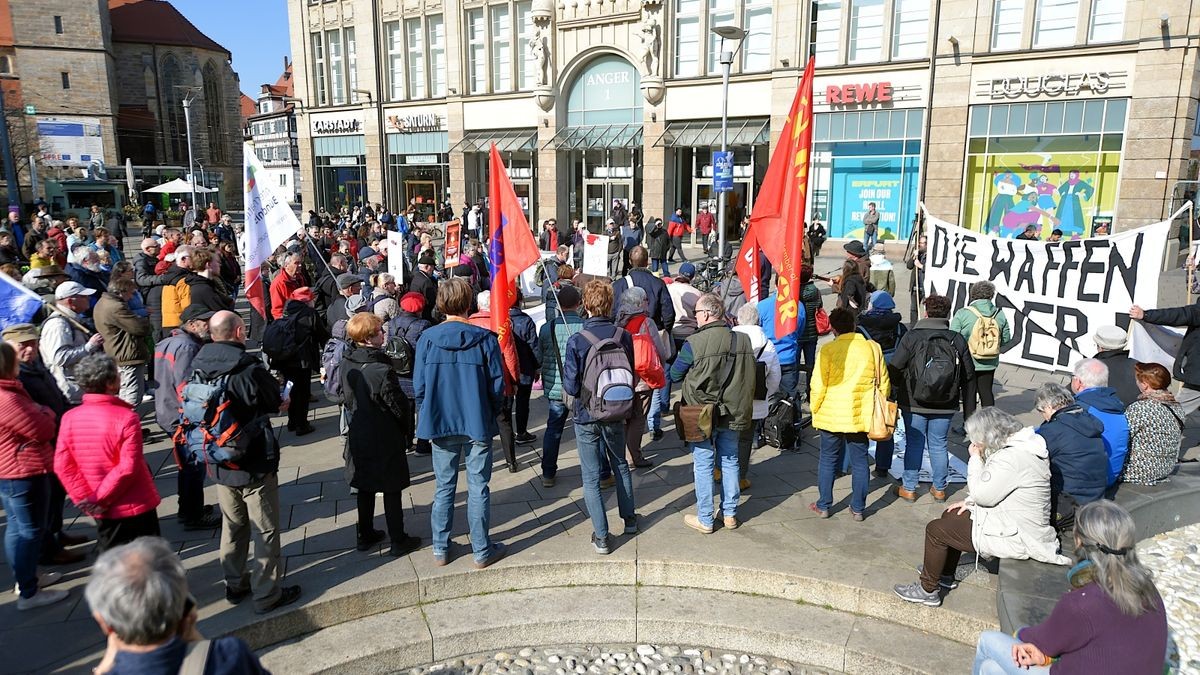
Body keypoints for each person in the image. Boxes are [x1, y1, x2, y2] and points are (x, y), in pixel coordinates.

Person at [893, 407, 1069, 607]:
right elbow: (997, 489)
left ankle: (927, 590)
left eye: (977, 439)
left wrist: (975, 458)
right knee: (951, 514)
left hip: (1018, 536)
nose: (975, 443)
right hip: (1013, 522)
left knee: (935, 531)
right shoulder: (1022, 448)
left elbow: (983, 495)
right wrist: (969, 502)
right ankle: (944, 574)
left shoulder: (1012, 458)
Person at [971, 500, 1167, 675]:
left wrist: (1024, 636)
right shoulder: (1148, 589)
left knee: (987, 641)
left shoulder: (1083, 602)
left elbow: (1042, 640)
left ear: (1079, 541)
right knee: (990, 669)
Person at [190, 311, 301, 613]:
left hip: (217, 459)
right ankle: (267, 593)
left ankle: (234, 582)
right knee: (264, 528)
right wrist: (283, 400)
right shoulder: (248, 368)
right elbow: (272, 402)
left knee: (233, 524)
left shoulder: (197, 363)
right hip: (251, 459)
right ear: (239, 332)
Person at [414, 278, 507, 568]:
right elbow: (497, 386)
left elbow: (419, 387)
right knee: (478, 485)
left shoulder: (427, 340)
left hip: (441, 420)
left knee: (444, 486)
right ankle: (481, 550)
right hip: (476, 420)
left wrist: (427, 411)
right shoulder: (486, 340)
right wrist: (493, 412)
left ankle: (441, 548)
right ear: (467, 303)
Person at [85, 537, 270, 674]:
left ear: (103, 622)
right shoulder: (228, 657)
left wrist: (102, 668)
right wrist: (196, 640)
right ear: (185, 606)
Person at [55, 354, 160, 551]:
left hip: (101, 506)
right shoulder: (126, 417)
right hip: (134, 500)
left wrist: (87, 499)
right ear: (111, 383)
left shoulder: (69, 417)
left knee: (112, 561)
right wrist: (99, 499)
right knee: (151, 560)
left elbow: (62, 465)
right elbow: (128, 467)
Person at [563, 280, 639, 552]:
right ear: (610, 304)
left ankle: (602, 536)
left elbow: (570, 386)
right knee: (620, 464)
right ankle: (629, 519)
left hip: (586, 415)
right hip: (616, 410)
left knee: (591, 476)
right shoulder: (623, 336)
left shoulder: (577, 340)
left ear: (585, 305)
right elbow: (633, 372)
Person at [670, 293, 754, 533]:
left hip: (701, 413)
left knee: (704, 463)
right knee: (730, 461)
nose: (694, 316)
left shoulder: (694, 343)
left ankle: (705, 518)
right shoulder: (743, 341)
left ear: (706, 314)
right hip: (733, 411)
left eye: (696, 312)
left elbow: (675, 375)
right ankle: (730, 514)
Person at [341, 313, 421, 557]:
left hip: (359, 430)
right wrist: (406, 432)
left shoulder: (348, 360)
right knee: (391, 486)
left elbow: (346, 396)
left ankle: (365, 534)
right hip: (383, 433)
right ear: (368, 337)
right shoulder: (380, 368)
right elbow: (397, 405)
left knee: (364, 484)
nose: (384, 334)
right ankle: (398, 539)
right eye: (379, 332)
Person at [0, 341, 68, 609]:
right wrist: (47, 412)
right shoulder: (7, 397)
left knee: (19, 528)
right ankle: (29, 592)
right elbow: (42, 429)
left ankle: (28, 577)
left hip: (14, 469)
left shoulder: (10, 390)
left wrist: (41, 412)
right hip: (22, 470)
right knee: (28, 530)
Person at [889, 295, 974, 502]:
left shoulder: (912, 337)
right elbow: (968, 375)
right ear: (948, 314)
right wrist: (969, 411)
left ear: (925, 312)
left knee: (915, 443)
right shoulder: (956, 339)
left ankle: (909, 487)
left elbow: (895, 367)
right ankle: (939, 488)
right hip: (946, 401)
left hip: (914, 400)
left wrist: (895, 391)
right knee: (939, 444)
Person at [809, 308, 886, 521]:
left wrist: (815, 408)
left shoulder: (827, 350)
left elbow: (818, 385)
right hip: (859, 413)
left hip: (831, 412)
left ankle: (824, 504)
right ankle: (858, 508)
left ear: (833, 328)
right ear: (853, 324)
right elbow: (884, 383)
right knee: (860, 461)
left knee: (827, 459)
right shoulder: (872, 348)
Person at [153, 305, 221, 530]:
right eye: (205, 322)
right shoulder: (187, 347)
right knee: (193, 466)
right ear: (192, 324)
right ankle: (193, 515)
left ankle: (189, 509)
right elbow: (186, 387)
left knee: (188, 466)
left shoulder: (168, 342)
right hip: (181, 417)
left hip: (167, 410)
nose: (209, 326)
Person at [1033, 383, 1108, 530]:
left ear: (1049, 406)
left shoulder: (1053, 430)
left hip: (1070, 504)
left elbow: (1030, 459)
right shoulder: (1087, 420)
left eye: (1042, 411)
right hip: (1096, 496)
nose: (1044, 417)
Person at [616, 286, 668, 469]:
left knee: (624, 418)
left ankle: (620, 454)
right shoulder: (646, 322)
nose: (648, 302)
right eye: (646, 300)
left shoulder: (619, 322)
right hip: (643, 379)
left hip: (622, 376)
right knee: (638, 418)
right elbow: (660, 351)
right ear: (639, 303)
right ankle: (634, 456)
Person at [537, 284, 584, 488]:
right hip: (581, 388)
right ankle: (601, 472)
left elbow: (541, 357)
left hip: (556, 387)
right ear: (579, 303)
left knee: (553, 429)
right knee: (588, 429)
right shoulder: (585, 327)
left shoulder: (547, 328)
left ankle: (548, 472)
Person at [732, 303, 780, 487]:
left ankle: (720, 469)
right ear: (758, 320)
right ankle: (740, 477)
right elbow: (775, 376)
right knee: (745, 439)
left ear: (738, 319)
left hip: (731, 397)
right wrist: (768, 394)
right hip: (755, 398)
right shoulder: (767, 344)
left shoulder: (730, 340)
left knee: (726, 436)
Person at [951, 281, 1012, 424]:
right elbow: (1007, 338)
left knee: (969, 393)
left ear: (973, 295)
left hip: (968, 362)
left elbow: (954, 337)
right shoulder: (999, 314)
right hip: (990, 361)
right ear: (991, 295)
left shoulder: (964, 313)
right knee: (986, 392)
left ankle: (969, 425)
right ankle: (989, 425)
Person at [272, 287, 329, 436]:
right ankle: (302, 425)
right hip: (302, 359)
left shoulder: (287, 310)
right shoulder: (310, 314)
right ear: (307, 300)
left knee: (290, 389)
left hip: (285, 358)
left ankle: (292, 421)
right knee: (302, 392)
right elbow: (322, 336)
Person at [41, 282, 105, 405]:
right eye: (83, 296)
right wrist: (89, 347)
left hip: (81, 387)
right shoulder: (58, 324)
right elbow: (59, 358)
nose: (88, 299)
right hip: (70, 392)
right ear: (70, 301)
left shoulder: (72, 319)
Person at [757, 289, 805, 450]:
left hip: (767, 358)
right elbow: (801, 328)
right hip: (788, 357)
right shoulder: (798, 306)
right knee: (790, 397)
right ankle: (793, 433)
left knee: (761, 395)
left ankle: (759, 433)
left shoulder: (762, 306)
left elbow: (759, 330)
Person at [94, 278, 153, 407]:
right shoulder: (116, 307)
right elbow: (139, 328)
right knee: (132, 393)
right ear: (122, 292)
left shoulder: (103, 302)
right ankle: (127, 423)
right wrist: (144, 321)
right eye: (131, 293)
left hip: (116, 351)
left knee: (125, 391)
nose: (132, 296)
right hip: (126, 353)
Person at [1070, 358, 1129, 488]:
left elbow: (1051, 437)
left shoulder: (1079, 410)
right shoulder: (1118, 407)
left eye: (1073, 376)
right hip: (1110, 476)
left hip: (1087, 481)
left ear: (1079, 382)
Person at [1123, 362, 1184, 485]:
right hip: (1165, 468)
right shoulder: (1176, 407)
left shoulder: (1140, 408)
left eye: (1137, 380)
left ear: (1145, 385)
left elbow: (1122, 437)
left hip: (1138, 471)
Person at [1090, 325, 1140, 407]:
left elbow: (1072, 393)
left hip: (1102, 414)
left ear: (1100, 347)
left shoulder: (1090, 368)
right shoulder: (1138, 366)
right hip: (1134, 412)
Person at [667, 262, 701, 341]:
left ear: (679, 273)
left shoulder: (668, 289)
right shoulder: (697, 293)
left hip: (673, 331)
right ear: (692, 277)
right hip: (691, 333)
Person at [269, 252, 307, 320]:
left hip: (302, 316)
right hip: (288, 320)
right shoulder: (278, 283)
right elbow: (277, 310)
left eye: (300, 263)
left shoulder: (300, 278)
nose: (300, 265)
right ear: (286, 265)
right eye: (296, 263)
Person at [904, 235, 927, 324]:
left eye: (924, 243)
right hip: (915, 286)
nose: (922, 245)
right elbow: (909, 266)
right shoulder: (917, 253)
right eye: (920, 243)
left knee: (928, 309)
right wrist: (914, 256)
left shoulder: (931, 254)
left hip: (925, 285)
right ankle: (912, 326)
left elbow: (933, 269)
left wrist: (921, 266)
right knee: (914, 309)